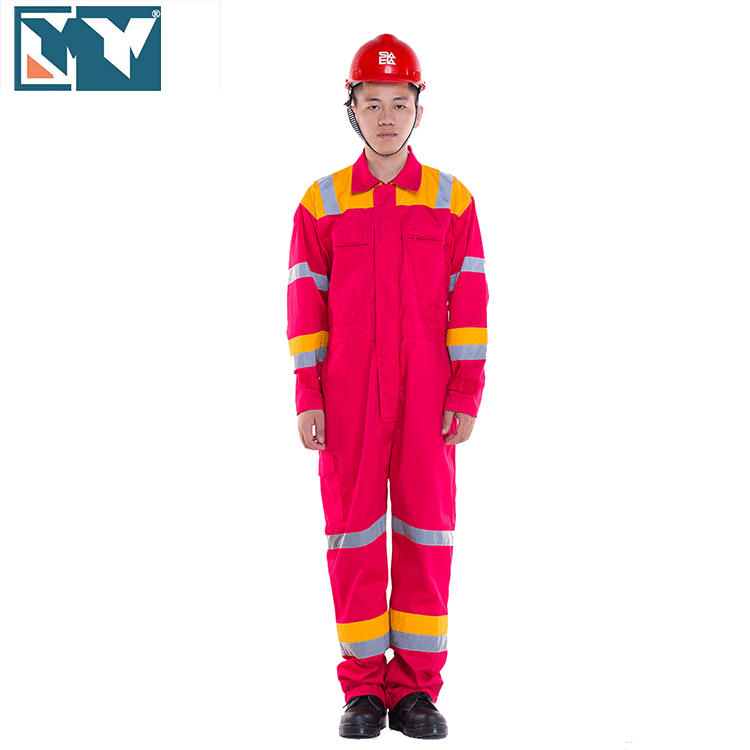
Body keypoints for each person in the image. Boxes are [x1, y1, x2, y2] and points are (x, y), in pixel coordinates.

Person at [285, 33, 489, 739]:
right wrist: (308, 396)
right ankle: (364, 690)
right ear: (352, 109)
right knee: (354, 539)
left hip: (429, 395)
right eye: (371, 103)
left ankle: (417, 690)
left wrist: (464, 393)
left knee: (427, 537)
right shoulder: (321, 203)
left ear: (419, 111)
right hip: (347, 395)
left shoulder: (452, 200)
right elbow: (305, 305)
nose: (386, 118)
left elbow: (470, 302)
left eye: (399, 104)